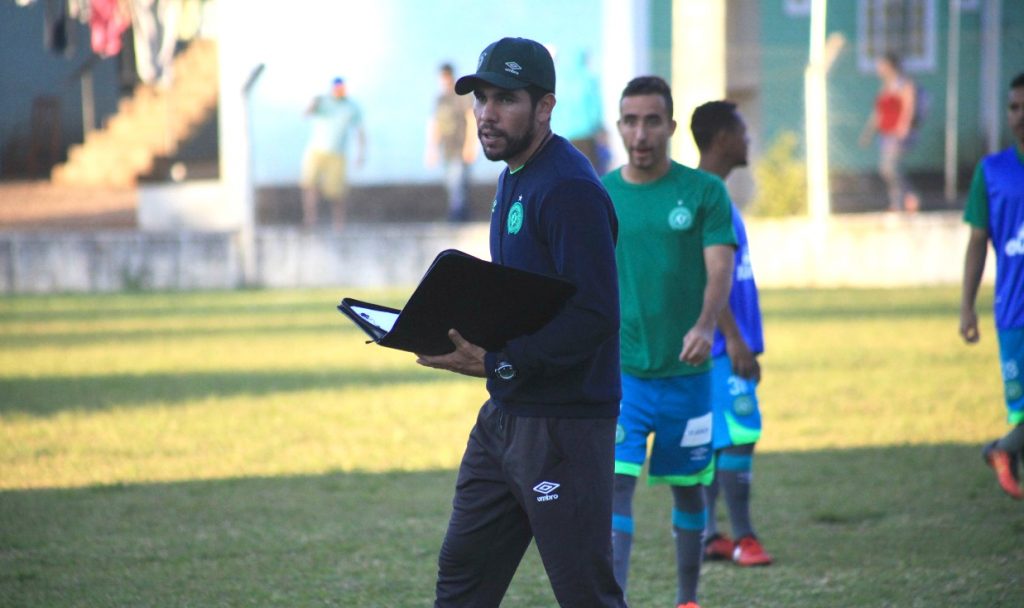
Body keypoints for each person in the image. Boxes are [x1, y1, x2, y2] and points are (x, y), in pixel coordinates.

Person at [415, 37, 626, 607]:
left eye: (505, 98)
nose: (486, 113)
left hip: (562, 425)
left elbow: (596, 314)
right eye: (481, 98)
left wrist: (501, 362)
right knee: (462, 580)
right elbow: (526, 298)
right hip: (506, 414)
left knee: (586, 594)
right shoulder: (515, 174)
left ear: (545, 107)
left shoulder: (569, 189)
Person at [603, 76, 736, 608]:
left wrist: (706, 325)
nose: (641, 133)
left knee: (689, 486)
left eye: (652, 120)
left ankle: (687, 599)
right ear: (619, 127)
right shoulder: (601, 194)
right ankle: (613, 601)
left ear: (671, 127)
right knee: (615, 486)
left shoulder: (705, 192)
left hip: (687, 378)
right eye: (631, 121)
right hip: (621, 376)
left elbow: (720, 267)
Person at [691, 100, 774, 566]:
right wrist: (735, 339)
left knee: (716, 437)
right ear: (722, 138)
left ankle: (710, 535)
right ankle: (743, 537)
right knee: (740, 432)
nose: (748, 139)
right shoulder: (708, 196)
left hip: (719, 345)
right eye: (742, 130)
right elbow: (710, 277)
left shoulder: (712, 194)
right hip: (723, 347)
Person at [960, 71, 1024, 501]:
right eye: (1013, 107)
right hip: (1015, 312)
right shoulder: (992, 172)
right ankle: (1006, 452)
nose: (1018, 116)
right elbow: (978, 242)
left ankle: (1002, 451)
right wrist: (967, 306)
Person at [301, 76, 366, 229]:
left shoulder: (351, 107)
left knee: (337, 192)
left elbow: (360, 131)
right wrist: (313, 103)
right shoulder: (323, 102)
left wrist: (361, 154)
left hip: (338, 154)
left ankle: (339, 225)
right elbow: (306, 114)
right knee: (310, 185)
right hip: (317, 150)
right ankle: (310, 221)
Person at [859, 53, 920, 213]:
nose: (878, 69)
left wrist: (904, 126)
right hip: (885, 133)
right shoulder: (886, 86)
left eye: (881, 65)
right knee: (889, 168)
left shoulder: (904, 84)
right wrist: (868, 133)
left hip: (898, 133)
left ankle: (905, 199)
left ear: (890, 65)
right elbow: (878, 113)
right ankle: (904, 199)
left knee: (889, 167)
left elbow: (909, 105)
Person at [425, 62, 477, 222]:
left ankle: (457, 217)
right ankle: (461, 215)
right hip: (446, 149)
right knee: (452, 183)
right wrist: (431, 149)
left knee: (458, 183)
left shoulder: (461, 96)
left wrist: (471, 145)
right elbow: (435, 124)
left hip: (460, 147)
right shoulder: (440, 99)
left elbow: (471, 119)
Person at [551, 47, 607, 173]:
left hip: (564, 137)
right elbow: (595, 109)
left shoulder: (558, 81)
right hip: (586, 136)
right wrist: (599, 128)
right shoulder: (588, 79)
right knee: (589, 174)